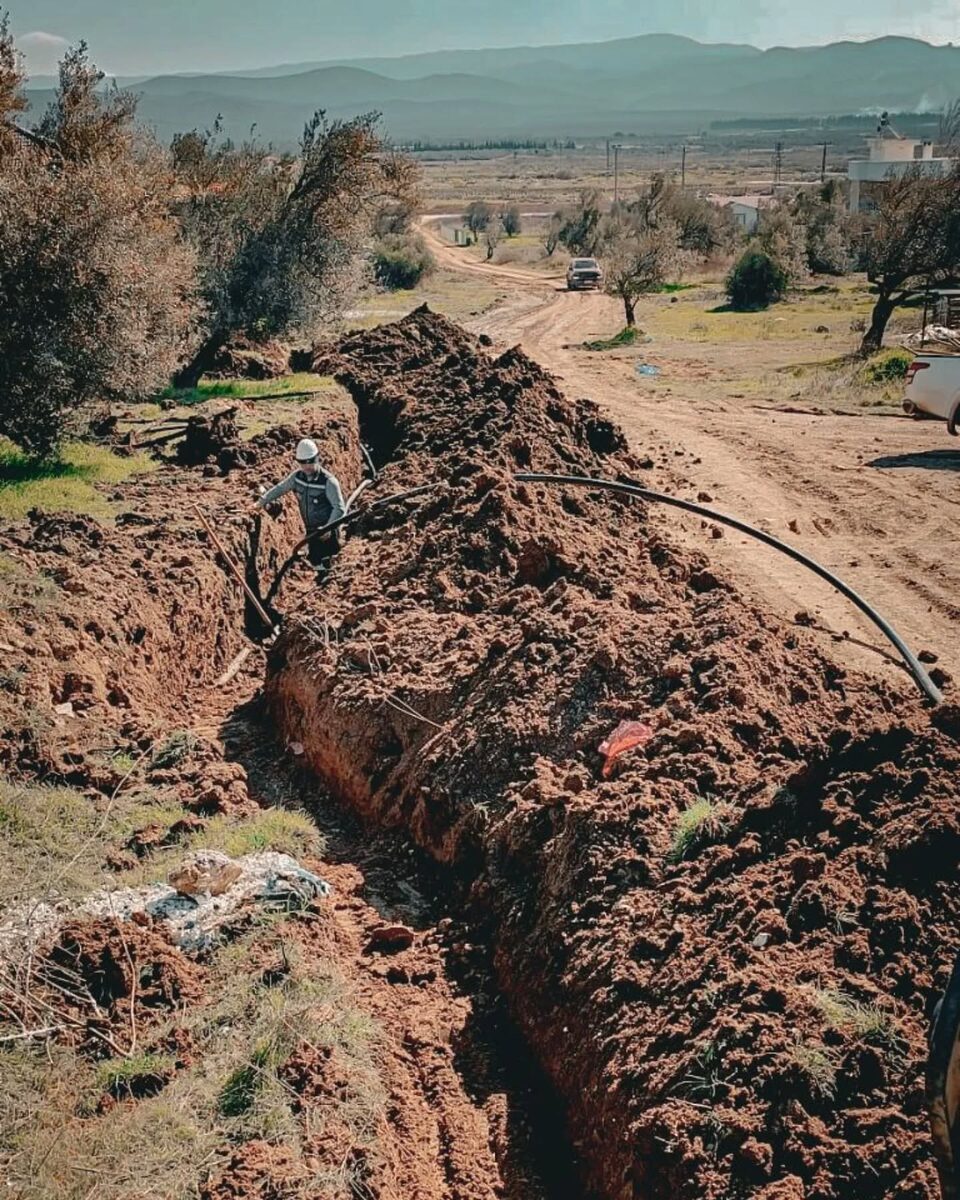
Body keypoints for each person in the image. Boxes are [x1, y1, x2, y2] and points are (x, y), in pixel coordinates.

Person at [255, 439, 346, 572]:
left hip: (327, 532)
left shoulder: (329, 482)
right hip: (311, 531)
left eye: (311, 461)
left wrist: (328, 528)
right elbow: (280, 488)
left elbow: (339, 508)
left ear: (317, 458)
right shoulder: (297, 478)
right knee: (316, 563)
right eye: (303, 462)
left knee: (331, 564)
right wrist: (261, 502)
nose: (307, 466)